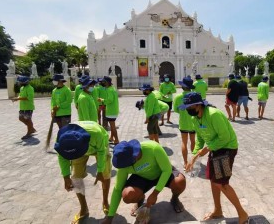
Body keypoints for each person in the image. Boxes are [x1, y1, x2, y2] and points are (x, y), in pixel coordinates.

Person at [181, 92, 249, 223]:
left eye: (191, 107)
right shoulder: (194, 119)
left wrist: (205, 150)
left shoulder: (213, 114)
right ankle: (217, 210)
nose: (189, 110)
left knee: (221, 183)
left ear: (199, 105)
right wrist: (194, 157)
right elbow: (200, 140)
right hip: (214, 148)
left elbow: (225, 138)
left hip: (227, 147)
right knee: (213, 180)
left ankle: (243, 214)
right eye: (187, 107)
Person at [102, 140, 186, 223]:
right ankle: (140, 199)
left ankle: (174, 198)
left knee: (180, 182)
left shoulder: (153, 148)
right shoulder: (124, 164)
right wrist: (110, 217)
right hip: (142, 177)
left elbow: (167, 170)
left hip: (161, 172)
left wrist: (155, 193)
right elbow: (117, 189)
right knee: (127, 195)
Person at [54, 121, 111, 223]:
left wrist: (100, 171)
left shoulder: (96, 134)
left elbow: (102, 151)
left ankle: (105, 202)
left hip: (99, 145)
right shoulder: (62, 139)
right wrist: (66, 176)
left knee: (105, 175)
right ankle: (84, 209)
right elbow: (62, 157)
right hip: (78, 148)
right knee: (75, 177)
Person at [173, 77, 196, 170]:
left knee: (184, 142)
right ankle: (193, 162)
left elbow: (175, 109)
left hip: (183, 123)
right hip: (194, 122)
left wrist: (182, 113)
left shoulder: (178, 97)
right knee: (193, 141)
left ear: (182, 86)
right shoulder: (194, 95)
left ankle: (185, 162)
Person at [98, 76, 119, 145]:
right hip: (114, 110)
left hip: (111, 111)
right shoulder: (112, 88)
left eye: (103, 82)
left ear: (107, 82)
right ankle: (111, 138)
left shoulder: (109, 90)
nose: (102, 83)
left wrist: (102, 100)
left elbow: (110, 100)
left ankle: (116, 140)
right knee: (112, 124)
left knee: (112, 126)